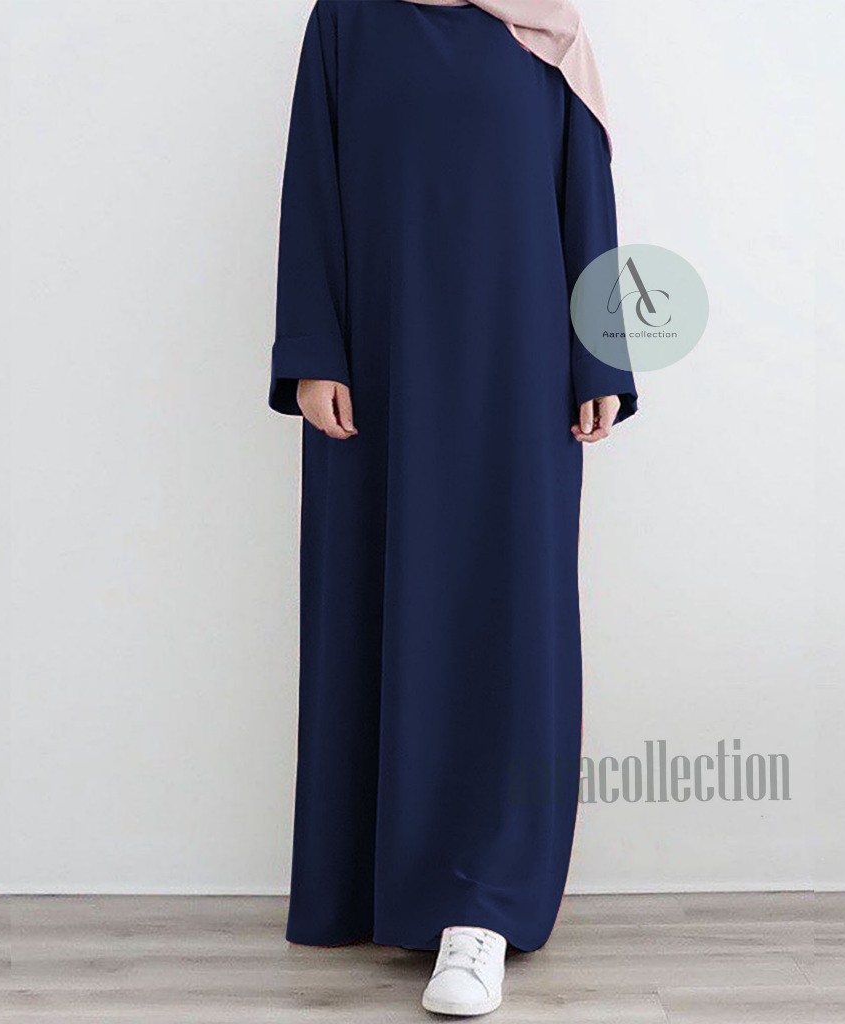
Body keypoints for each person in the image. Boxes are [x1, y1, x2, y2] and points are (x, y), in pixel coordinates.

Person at [269, 0, 637, 1015]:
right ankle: (374, 884)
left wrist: (600, 358)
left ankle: (483, 909)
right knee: (375, 608)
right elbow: (312, 185)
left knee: (506, 623)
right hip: (377, 377)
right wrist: (313, 351)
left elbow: (585, 194)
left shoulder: (544, 28)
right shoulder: (347, 20)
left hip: (519, 374)